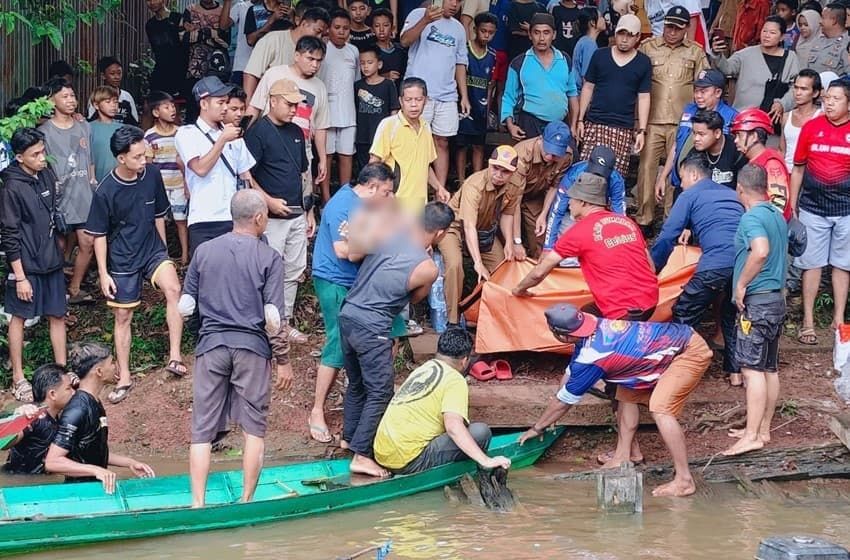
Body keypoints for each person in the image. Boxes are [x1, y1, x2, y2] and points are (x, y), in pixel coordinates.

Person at [519, 303, 712, 497]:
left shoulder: (594, 354)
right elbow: (570, 374)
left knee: (660, 409)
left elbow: (564, 402)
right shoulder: (590, 326)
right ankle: (624, 456)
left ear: (560, 335)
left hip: (688, 350)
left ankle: (684, 480)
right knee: (626, 394)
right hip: (658, 350)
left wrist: (538, 427)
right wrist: (558, 400)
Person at [180, 190, 291, 507]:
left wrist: (199, 338)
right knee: (254, 426)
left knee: (201, 428)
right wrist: (283, 359)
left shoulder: (203, 251)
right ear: (258, 218)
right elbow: (273, 319)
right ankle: (245, 502)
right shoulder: (268, 257)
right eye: (266, 216)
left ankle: (197, 504)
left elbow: (188, 307)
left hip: (211, 345)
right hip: (252, 348)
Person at [339, 202, 453, 477]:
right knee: (380, 391)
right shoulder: (427, 267)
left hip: (348, 315)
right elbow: (416, 297)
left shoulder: (390, 235)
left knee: (357, 384)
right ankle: (362, 455)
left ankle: (349, 439)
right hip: (373, 325)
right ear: (440, 234)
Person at [84, 126, 186, 404]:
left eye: (145, 155)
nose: (144, 161)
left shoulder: (151, 174)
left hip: (151, 249)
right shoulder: (106, 190)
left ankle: (175, 356)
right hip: (122, 258)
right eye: (138, 157)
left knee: (174, 288)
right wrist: (104, 273)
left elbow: (158, 214)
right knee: (123, 317)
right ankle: (125, 375)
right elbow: (99, 236)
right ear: (121, 159)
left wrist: (163, 251)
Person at [309, 163, 396, 443]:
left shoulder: (371, 203)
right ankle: (317, 410)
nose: (389, 197)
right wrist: (380, 240)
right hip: (336, 280)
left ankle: (364, 404)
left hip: (361, 282)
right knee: (336, 345)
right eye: (386, 191)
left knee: (388, 334)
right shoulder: (342, 205)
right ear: (371, 187)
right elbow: (344, 250)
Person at [514, 172, 659, 320]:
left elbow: (540, 272)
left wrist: (519, 289)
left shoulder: (579, 232)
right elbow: (651, 268)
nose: (569, 204)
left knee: (575, 326)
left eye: (572, 199)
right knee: (585, 314)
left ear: (583, 202)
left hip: (623, 311)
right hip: (651, 301)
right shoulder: (627, 222)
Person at [651, 153, 744, 383]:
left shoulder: (690, 194)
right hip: (744, 263)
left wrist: (652, 268)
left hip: (715, 263)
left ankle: (681, 370)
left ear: (693, 175)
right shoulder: (732, 194)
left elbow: (667, 236)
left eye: (682, 178)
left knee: (685, 311)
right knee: (730, 314)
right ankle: (735, 373)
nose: (681, 184)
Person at [374, 328, 512, 474]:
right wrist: (485, 460)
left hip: (382, 454)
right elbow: (453, 427)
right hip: (407, 461)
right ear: (465, 360)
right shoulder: (455, 380)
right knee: (481, 432)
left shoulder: (424, 369)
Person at [722, 164, 788, 456]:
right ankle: (762, 428)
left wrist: (741, 285)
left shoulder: (751, 218)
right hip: (776, 300)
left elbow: (760, 251)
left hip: (758, 303)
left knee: (751, 369)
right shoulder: (776, 214)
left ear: (740, 189)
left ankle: (752, 435)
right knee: (769, 367)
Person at [0, 128, 67, 403]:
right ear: (19, 158)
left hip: (51, 260)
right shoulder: (11, 186)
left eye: (42, 151)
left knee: (58, 315)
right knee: (19, 318)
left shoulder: (46, 173)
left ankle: (62, 372)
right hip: (25, 266)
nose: (42, 158)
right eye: (35, 154)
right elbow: (9, 234)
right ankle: (19, 378)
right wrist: (20, 276)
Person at [243, 79, 313, 345]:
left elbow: (303, 172)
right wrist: (268, 200)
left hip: (296, 212)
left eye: (296, 104)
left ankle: (284, 322)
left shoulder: (296, 132)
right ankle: (262, 324)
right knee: (267, 270)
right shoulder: (258, 131)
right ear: (272, 101)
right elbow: (247, 174)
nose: (294, 109)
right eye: (289, 103)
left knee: (294, 269)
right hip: (270, 217)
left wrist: (309, 211)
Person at [45, 343, 156, 492]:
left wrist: (130, 463)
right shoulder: (77, 409)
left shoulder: (94, 402)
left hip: (95, 487)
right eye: (112, 362)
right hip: (79, 492)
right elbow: (52, 462)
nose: (116, 366)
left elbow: (92, 452)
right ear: (99, 371)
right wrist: (96, 471)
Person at [635, 6, 708, 232]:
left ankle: (670, 219)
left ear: (686, 28)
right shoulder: (648, 48)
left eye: (677, 28)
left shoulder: (695, 52)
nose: (671, 32)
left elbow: (704, 85)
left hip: (681, 123)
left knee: (675, 172)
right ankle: (644, 218)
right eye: (668, 26)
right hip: (652, 120)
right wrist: (638, 122)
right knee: (646, 170)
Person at [790, 80, 850, 346]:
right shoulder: (811, 128)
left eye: (836, 98)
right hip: (813, 208)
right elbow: (799, 168)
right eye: (827, 98)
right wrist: (792, 203)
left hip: (847, 209)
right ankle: (808, 321)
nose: (829, 103)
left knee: (842, 264)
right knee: (811, 264)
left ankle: (839, 320)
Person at [438, 146, 522, 325]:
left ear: (513, 172)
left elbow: (508, 214)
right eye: (495, 168)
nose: (498, 174)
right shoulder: (474, 185)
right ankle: (452, 321)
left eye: (505, 171)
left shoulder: (515, 185)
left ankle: (490, 318)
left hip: (484, 231)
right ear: (489, 164)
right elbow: (468, 226)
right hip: (455, 228)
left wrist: (509, 242)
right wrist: (478, 262)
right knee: (454, 265)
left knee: (503, 267)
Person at [175, 76, 256, 256]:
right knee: (208, 278)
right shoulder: (187, 133)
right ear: (204, 104)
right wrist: (222, 140)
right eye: (220, 102)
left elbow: (246, 177)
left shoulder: (234, 135)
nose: (225, 107)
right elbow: (200, 169)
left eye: (227, 102)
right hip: (204, 220)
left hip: (234, 218)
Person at [38, 78, 97, 306]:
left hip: (84, 194)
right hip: (59, 197)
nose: (71, 100)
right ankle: (56, 289)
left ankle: (75, 286)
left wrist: (92, 182)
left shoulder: (84, 126)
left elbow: (90, 158)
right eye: (64, 96)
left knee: (87, 243)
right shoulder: (44, 131)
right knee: (58, 246)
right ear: (51, 101)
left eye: (72, 96)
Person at [400, 0, 470, 191]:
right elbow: (405, 41)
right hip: (419, 94)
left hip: (447, 94)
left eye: (458, 1)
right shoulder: (417, 14)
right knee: (414, 141)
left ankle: (439, 191)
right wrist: (425, 20)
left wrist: (464, 95)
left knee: (442, 142)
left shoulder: (458, 29)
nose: (454, 4)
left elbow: (460, 63)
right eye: (450, 0)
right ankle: (413, 189)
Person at [249, 36, 331, 198]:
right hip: (271, 147)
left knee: (303, 197)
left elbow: (321, 126)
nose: (315, 65)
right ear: (297, 56)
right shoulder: (274, 74)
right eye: (310, 58)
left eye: (319, 61)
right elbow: (254, 108)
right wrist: (243, 137)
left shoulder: (319, 87)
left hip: (303, 151)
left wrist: (322, 159)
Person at [576, 14, 651, 177]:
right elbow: (588, 87)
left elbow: (644, 96)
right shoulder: (600, 55)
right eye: (621, 33)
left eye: (630, 35)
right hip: (595, 123)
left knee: (615, 176)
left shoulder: (643, 62)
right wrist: (580, 120)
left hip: (623, 127)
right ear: (615, 33)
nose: (624, 39)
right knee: (586, 173)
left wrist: (642, 131)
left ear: (638, 37)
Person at [369, 77, 450, 212]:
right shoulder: (389, 125)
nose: (414, 105)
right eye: (408, 100)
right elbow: (374, 163)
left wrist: (439, 188)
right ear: (401, 101)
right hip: (394, 205)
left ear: (426, 100)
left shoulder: (426, 127)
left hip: (419, 205)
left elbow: (425, 165)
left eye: (418, 100)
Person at [657, 69, 738, 197]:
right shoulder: (689, 110)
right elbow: (677, 145)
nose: (698, 96)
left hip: (714, 189)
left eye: (703, 91)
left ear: (718, 92)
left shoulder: (731, 117)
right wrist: (663, 176)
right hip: (681, 183)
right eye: (696, 91)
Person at [501, 13, 579, 141]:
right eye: (537, 33)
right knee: (532, 160)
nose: (541, 38)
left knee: (566, 159)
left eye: (546, 33)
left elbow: (572, 94)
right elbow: (509, 97)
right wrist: (510, 125)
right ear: (530, 35)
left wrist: (574, 125)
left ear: (554, 35)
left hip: (559, 125)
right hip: (530, 124)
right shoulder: (519, 63)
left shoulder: (565, 59)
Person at [543, 145, 626, 257]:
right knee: (567, 248)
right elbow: (557, 211)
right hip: (572, 213)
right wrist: (548, 247)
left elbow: (619, 216)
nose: (597, 177)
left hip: (598, 216)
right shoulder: (573, 175)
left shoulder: (616, 180)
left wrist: (620, 244)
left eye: (602, 174)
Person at [710, 16, 799, 117]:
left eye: (772, 33)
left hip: (774, 117)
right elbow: (728, 68)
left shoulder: (790, 57)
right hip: (744, 115)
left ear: (782, 37)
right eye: (764, 31)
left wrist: (782, 104)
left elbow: (795, 87)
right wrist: (717, 54)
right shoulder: (745, 54)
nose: (767, 35)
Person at [510, 121, 573, 258]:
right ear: (541, 139)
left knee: (541, 240)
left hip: (534, 198)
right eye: (548, 151)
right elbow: (514, 201)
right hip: (509, 199)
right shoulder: (522, 154)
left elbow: (554, 187)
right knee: (509, 244)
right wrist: (517, 241)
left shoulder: (566, 157)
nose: (551, 158)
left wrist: (543, 214)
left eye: (556, 154)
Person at [242, 7, 330, 100]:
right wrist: (249, 108)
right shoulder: (273, 40)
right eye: (317, 31)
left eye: (323, 35)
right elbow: (251, 74)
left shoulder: (318, 54)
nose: (319, 37)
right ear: (303, 24)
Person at [319, 10, 361, 201]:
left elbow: (356, 81)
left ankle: (345, 198)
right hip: (325, 113)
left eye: (346, 28)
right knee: (325, 157)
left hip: (348, 113)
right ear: (328, 29)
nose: (342, 32)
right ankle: (326, 199)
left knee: (346, 156)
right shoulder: (322, 49)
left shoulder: (353, 51)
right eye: (337, 28)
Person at [2, 365, 75, 474]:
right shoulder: (33, 416)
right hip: (21, 484)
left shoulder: (55, 417)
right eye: (68, 388)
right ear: (52, 394)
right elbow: (4, 444)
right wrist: (17, 419)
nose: (74, 392)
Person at [145, 91, 190, 266]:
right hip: (160, 186)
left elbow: (186, 162)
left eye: (173, 106)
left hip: (179, 184)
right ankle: (163, 256)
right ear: (156, 112)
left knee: (181, 221)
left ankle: (185, 256)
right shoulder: (149, 136)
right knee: (160, 221)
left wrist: (187, 184)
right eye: (166, 107)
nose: (172, 109)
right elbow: (148, 165)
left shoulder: (182, 133)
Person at [662, 109, 744, 199]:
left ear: (717, 133)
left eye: (701, 134)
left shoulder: (736, 149)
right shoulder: (694, 155)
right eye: (694, 133)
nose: (696, 138)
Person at [456, 13, 497, 182]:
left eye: (490, 32)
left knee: (479, 145)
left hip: (481, 107)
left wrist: (487, 110)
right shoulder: (464, 50)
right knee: (461, 146)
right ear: (474, 30)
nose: (486, 35)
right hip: (464, 107)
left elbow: (490, 86)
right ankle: (460, 181)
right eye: (483, 31)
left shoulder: (493, 56)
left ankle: (476, 181)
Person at [730, 108, 792, 221]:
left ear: (754, 136)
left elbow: (778, 204)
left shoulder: (771, 163)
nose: (735, 141)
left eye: (739, 135)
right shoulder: (755, 160)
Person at [353, 47, 400, 172]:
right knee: (364, 169)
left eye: (369, 62)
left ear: (379, 64)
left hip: (381, 136)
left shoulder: (388, 85)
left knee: (382, 169)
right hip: (362, 136)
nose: (365, 66)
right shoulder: (357, 85)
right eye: (362, 63)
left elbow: (394, 111)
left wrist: (392, 134)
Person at [779, 70, 822, 173]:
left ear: (815, 93)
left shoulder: (821, 117)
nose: (798, 93)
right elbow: (781, 150)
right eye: (796, 87)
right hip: (787, 172)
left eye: (803, 89)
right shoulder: (786, 117)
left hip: (810, 175)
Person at [145, 0, 189, 97]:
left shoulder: (178, 18)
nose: (151, 3)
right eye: (148, 0)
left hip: (180, 72)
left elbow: (186, 46)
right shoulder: (150, 24)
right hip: (160, 73)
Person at [87, 56, 139, 126]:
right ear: (103, 76)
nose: (117, 77)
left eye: (119, 73)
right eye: (112, 74)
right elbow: (90, 119)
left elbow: (134, 122)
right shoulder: (97, 96)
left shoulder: (127, 97)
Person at [88, 86, 122, 183]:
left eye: (115, 102)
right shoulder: (87, 128)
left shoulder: (123, 128)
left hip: (121, 181)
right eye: (108, 102)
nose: (113, 105)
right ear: (96, 105)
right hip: (97, 181)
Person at [804, 4, 850, 76]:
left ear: (834, 21)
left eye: (823, 18)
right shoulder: (818, 41)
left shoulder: (847, 44)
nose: (820, 21)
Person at [372, 8, 408, 88]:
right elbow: (364, 78)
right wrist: (384, 76)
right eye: (377, 26)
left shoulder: (401, 50)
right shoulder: (370, 51)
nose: (381, 29)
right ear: (372, 30)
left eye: (385, 25)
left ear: (392, 28)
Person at [572, 7, 605, 90]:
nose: (603, 19)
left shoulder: (584, 41)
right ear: (593, 22)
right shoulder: (589, 44)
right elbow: (587, 78)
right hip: (581, 94)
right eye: (600, 17)